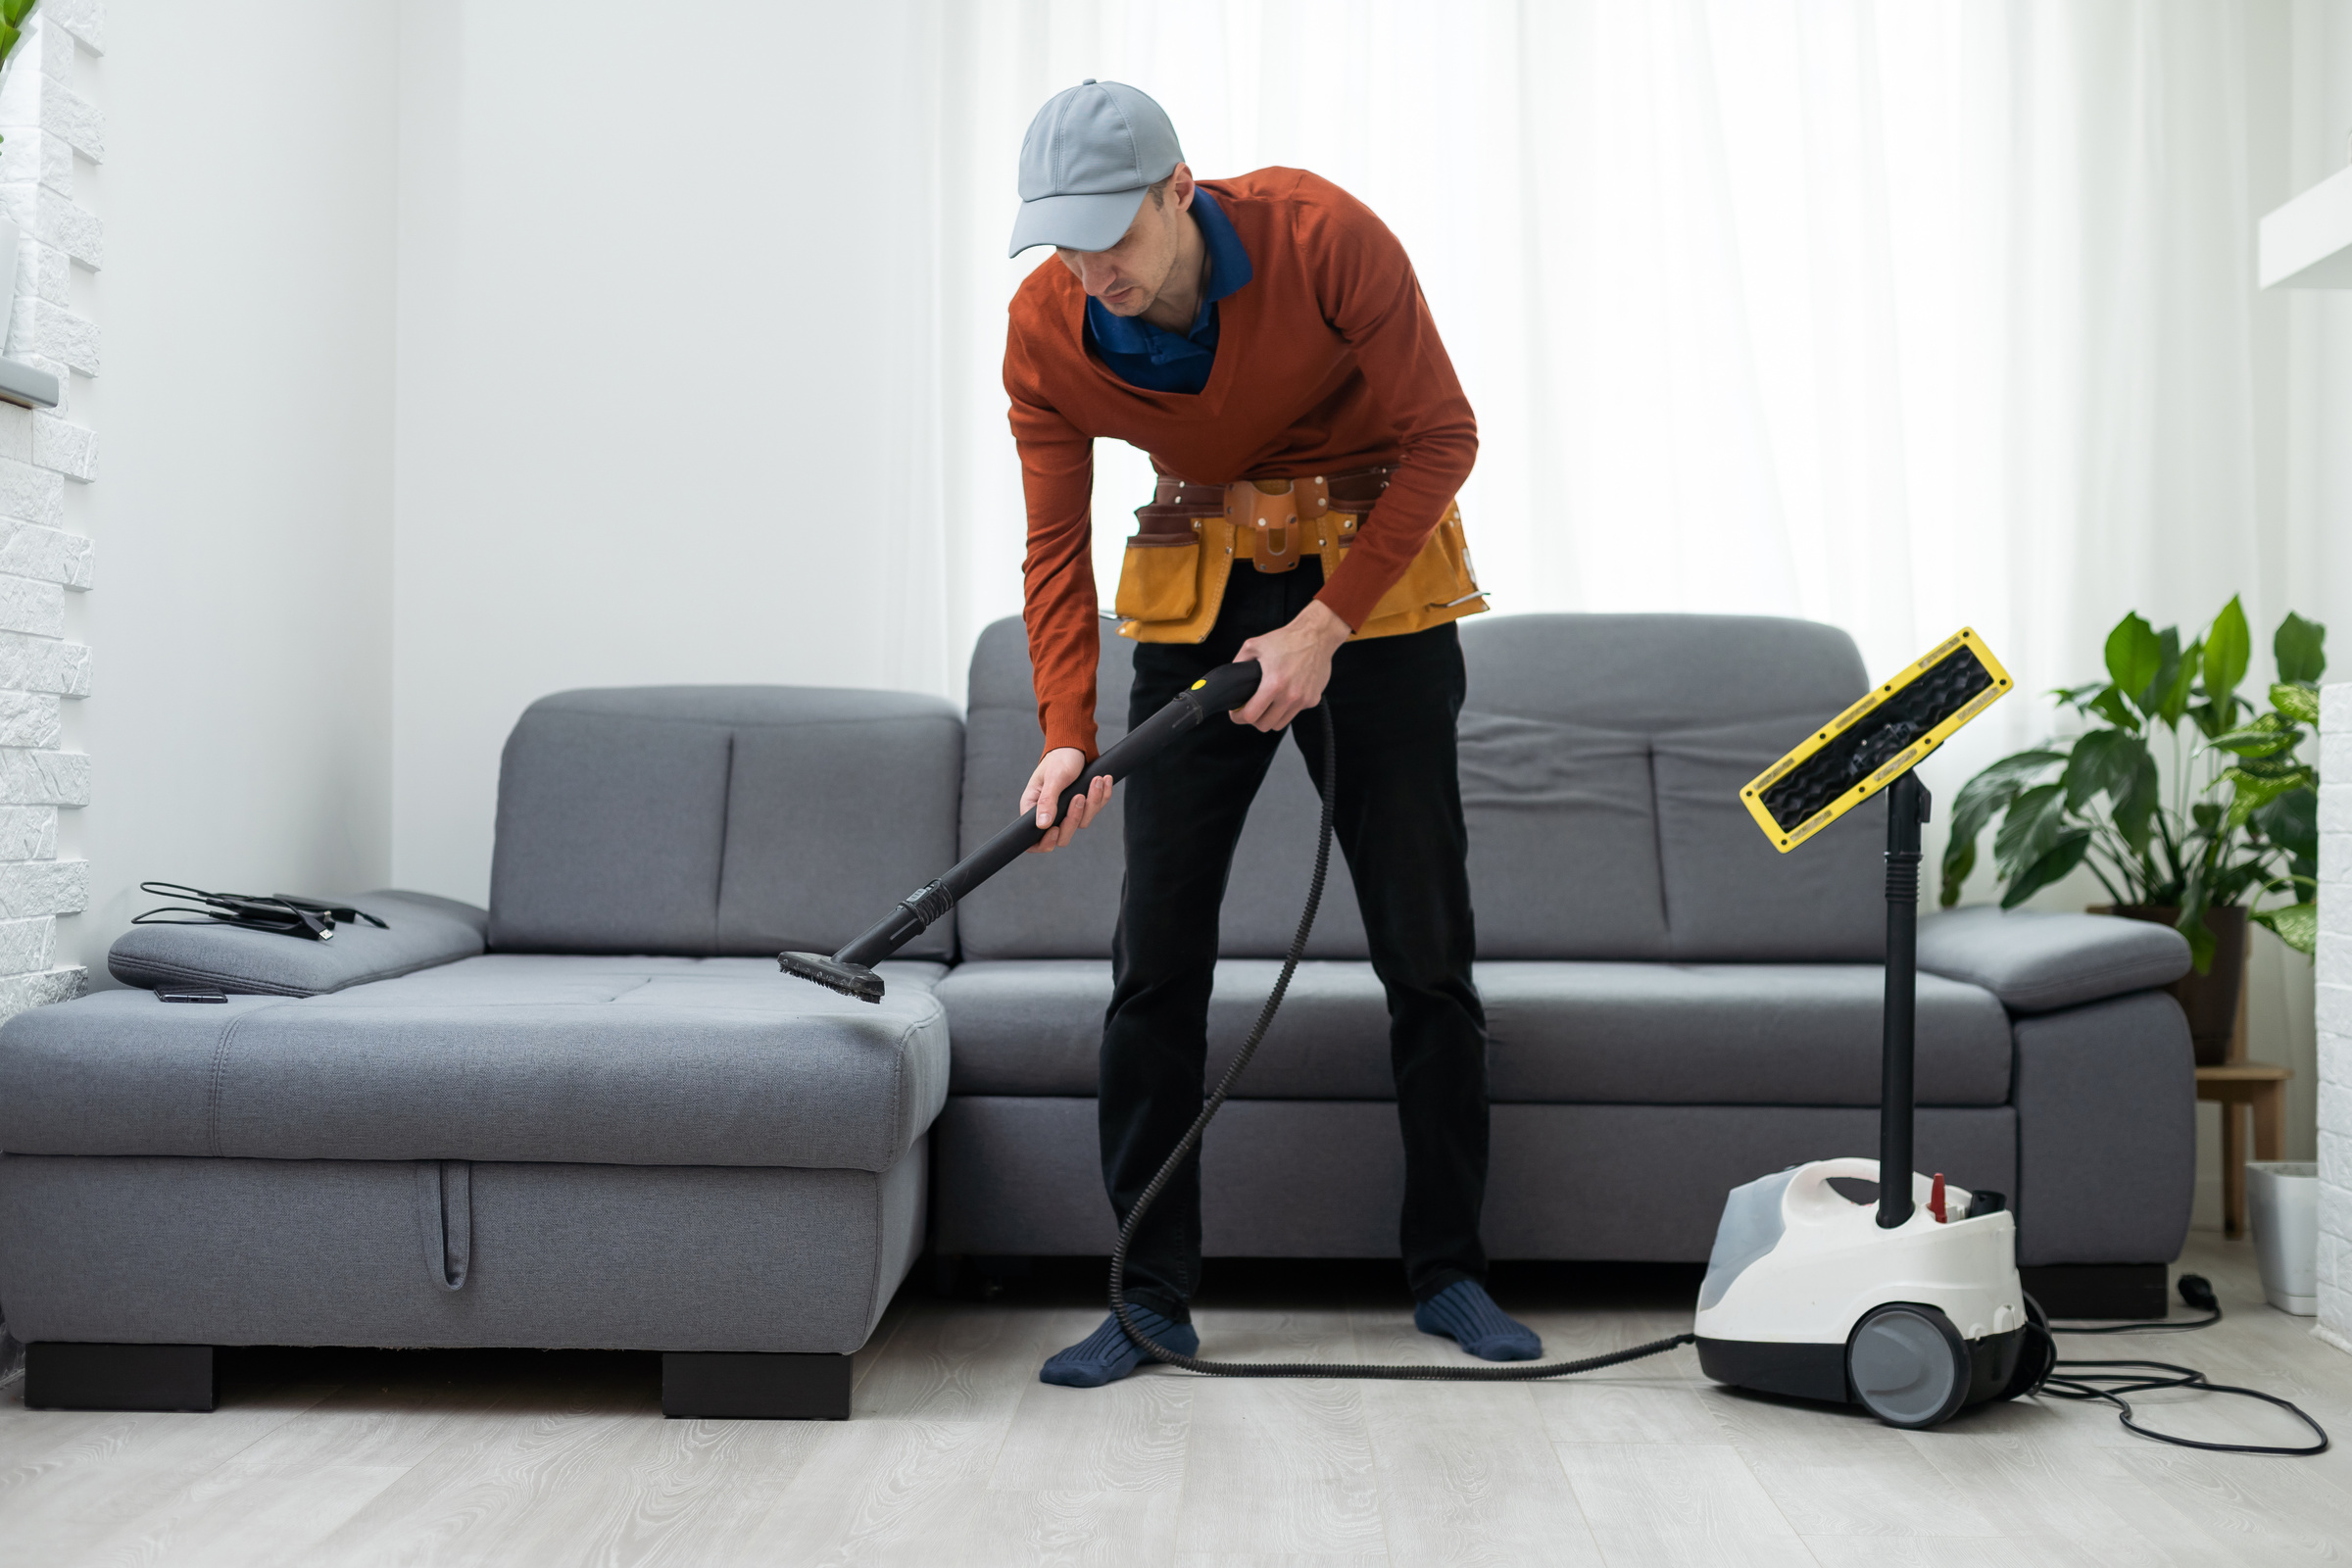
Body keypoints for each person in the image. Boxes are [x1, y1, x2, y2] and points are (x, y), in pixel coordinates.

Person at [1004, 79, 1536, 1388]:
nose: (1090, 271)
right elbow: (1054, 548)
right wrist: (1067, 731)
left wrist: (1326, 627)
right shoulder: (1046, 329)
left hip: (1375, 592)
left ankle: (1450, 1270)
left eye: (1110, 237)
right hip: (1196, 580)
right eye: (1060, 243)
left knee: (1426, 952)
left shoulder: (1321, 237)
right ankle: (1149, 1299)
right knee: (1156, 961)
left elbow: (1442, 435)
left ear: (1179, 189)